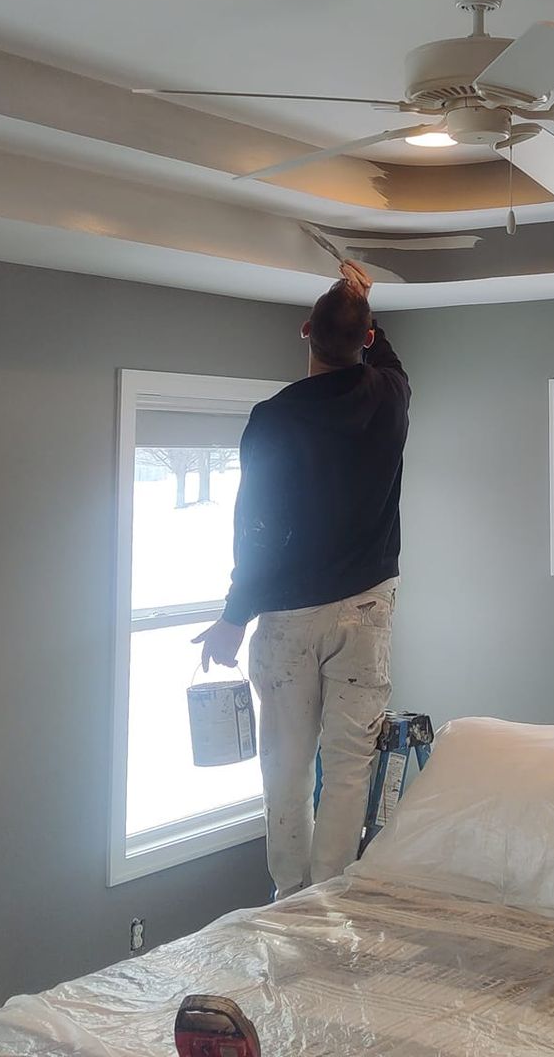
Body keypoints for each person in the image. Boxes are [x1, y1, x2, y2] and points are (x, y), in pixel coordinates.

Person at [193, 259, 409, 898]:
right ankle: (329, 903)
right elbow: (387, 357)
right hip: (367, 610)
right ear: (367, 339)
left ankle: (289, 899)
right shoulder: (391, 396)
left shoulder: (276, 417)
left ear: (304, 332)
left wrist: (235, 616)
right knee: (348, 765)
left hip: (290, 615)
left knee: (286, 767)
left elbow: (255, 525)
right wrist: (363, 298)